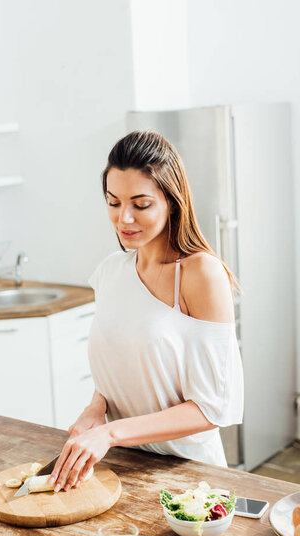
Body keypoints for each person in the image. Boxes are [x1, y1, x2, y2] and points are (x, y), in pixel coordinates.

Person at [49, 130, 243, 492]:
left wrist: (110, 432)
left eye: (140, 204)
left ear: (172, 201)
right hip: (122, 468)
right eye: (113, 202)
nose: (124, 219)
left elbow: (212, 407)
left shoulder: (199, 274)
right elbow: (126, 366)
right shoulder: (110, 272)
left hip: (190, 478)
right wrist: (97, 406)